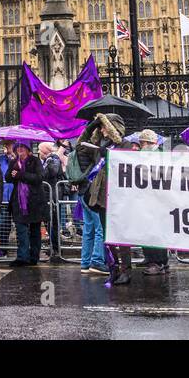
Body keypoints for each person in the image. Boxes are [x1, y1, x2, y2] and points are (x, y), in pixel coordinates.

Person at [76, 113, 122, 275]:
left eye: (104, 126)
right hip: (92, 192)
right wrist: (93, 125)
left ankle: (85, 263)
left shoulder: (115, 144)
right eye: (101, 127)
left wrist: (104, 122)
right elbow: (80, 144)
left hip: (93, 192)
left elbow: (118, 139)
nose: (102, 129)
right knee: (99, 229)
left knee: (91, 229)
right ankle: (95, 261)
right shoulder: (96, 144)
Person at [134, 129, 171, 276]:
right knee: (150, 230)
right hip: (151, 199)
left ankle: (157, 262)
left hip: (154, 199)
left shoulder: (155, 156)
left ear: (147, 143)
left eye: (142, 143)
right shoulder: (157, 154)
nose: (140, 146)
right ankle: (155, 259)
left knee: (153, 231)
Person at [6, 142, 46, 266]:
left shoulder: (35, 161)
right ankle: (22, 257)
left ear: (28, 150)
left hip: (34, 201)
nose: (20, 149)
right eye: (17, 147)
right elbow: (8, 177)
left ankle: (34, 257)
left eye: (22, 147)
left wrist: (20, 175)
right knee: (20, 229)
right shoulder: (14, 162)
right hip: (18, 201)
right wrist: (14, 172)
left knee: (35, 229)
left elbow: (39, 177)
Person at [38, 142, 65, 259]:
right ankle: (53, 248)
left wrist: (48, 162)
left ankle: (55, 249)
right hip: (48, 195)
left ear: (45, 150)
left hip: (53, 196)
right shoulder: (49, 159)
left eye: (40, 150)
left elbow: (53, 172)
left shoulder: (53, 158)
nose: (38, 152)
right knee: (50, 223)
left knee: (53, 223)